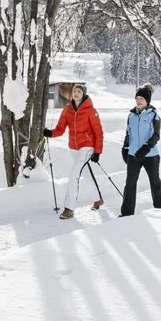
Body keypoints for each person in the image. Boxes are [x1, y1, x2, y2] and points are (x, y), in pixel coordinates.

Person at [43, 83, 104, 219]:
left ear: (83, 94)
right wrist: (50, 133)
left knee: (74, 175)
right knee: (86, 174)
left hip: (87, 146)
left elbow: (98, 132)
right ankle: (98, 199)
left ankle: (69, 208)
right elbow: (60, 129)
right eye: (74, 91)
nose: (76, 93)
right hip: (73, 149)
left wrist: (97, 151)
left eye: (79, 91)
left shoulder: (90, 110)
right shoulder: (67, 110)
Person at [120, 83, 161, 217]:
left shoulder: (154, 115)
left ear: (147, 101)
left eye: (142, 99)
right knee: (130, 184)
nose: (139, 101)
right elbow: (129, 133)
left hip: (151, 155)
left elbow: (156, 135)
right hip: (133, 155)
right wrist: (125, 148)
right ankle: (126, 213)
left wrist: (145, 149)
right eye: (137, 99)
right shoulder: (131, 115)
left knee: (155, 181)